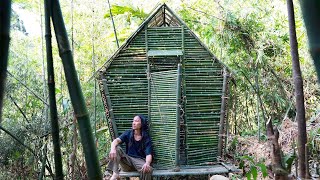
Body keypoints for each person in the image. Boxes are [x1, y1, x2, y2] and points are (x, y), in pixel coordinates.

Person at [107, 115, 153, 180]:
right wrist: (112, 149)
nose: (134, 123)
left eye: (136, 121)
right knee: (116, 148)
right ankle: (115, 174)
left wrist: (147, 163)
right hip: (127, 162)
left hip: (139, 161)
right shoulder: (128, 133)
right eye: (133, 121)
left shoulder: (146, 137)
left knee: (148, 169)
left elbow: (148, 154)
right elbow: (116, 141)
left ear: (142, 124)